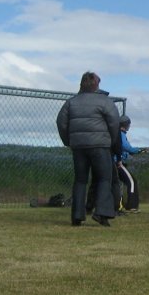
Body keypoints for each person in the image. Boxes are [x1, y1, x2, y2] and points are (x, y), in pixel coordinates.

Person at [56, 71, 121, 227]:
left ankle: (77, 216)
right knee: (104, 179)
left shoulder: (71, 102)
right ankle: (101, 213)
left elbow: (61, 122)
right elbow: (114, 123)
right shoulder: (105, 101)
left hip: (78, 146)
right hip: (100, 145)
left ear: (81, 84)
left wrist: (68, 141)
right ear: (96, 85)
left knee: (80, 180)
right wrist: (111, 141)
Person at [115, 115, 148, 213]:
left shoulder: (118, 133)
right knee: (132, 181)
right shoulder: (121, 134)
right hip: (119, 163)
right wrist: (140, 150)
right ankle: (132, 206)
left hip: (115, 162)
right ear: (125, 125)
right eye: (129, 124)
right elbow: (126, 147)